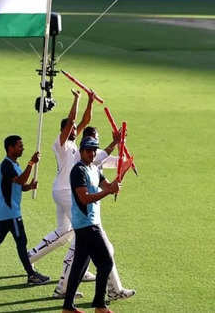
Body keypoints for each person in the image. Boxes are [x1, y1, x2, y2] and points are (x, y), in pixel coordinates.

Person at [27, 90, 96, 299]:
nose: (76, 130)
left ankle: (28, 257)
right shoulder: (60, 143)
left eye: (75, 129)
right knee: (81, 233)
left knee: (63, 230)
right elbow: (73, 121)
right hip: (66, 192)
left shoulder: (74, 143)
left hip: (62, 191)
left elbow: (84, 120)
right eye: (72, 128)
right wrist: (76, 99)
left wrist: (90, 101)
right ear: (64, 130)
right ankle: (69, 279)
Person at [0, 135, 50, 285]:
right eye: (19, 146)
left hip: (7, 211)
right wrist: (31, 163)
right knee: (21, 242)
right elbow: (20, 180)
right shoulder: (7, 165)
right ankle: (31, 275)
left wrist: (29, 187)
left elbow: (18, 185)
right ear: (10, 148)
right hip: (11, 212)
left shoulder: (14, 164)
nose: (22, 148)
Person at [62, 137, 120, 313]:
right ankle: (100, 305)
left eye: (94, 150)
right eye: (89, 150)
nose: (92, 153)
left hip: (87, 224)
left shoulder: (94, 168)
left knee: (79, 267)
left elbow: (107, 185)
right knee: (106, 262)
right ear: (81, 151)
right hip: (87, 224)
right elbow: (84, 198)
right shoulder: (78, 171)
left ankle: (68, 308)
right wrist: (107, 191)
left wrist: (114, 187)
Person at [78, 127, 136, 303]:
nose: (95, 150)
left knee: (80, 258)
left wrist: (123, 168)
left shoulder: (94, 164)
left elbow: (116, 165)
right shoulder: (82, 165)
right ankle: (105, 297)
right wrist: (116, 142)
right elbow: (103, 160)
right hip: (86, 217)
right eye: (92, 146)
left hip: (90, 216)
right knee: (104, 255)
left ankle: (66, 292)